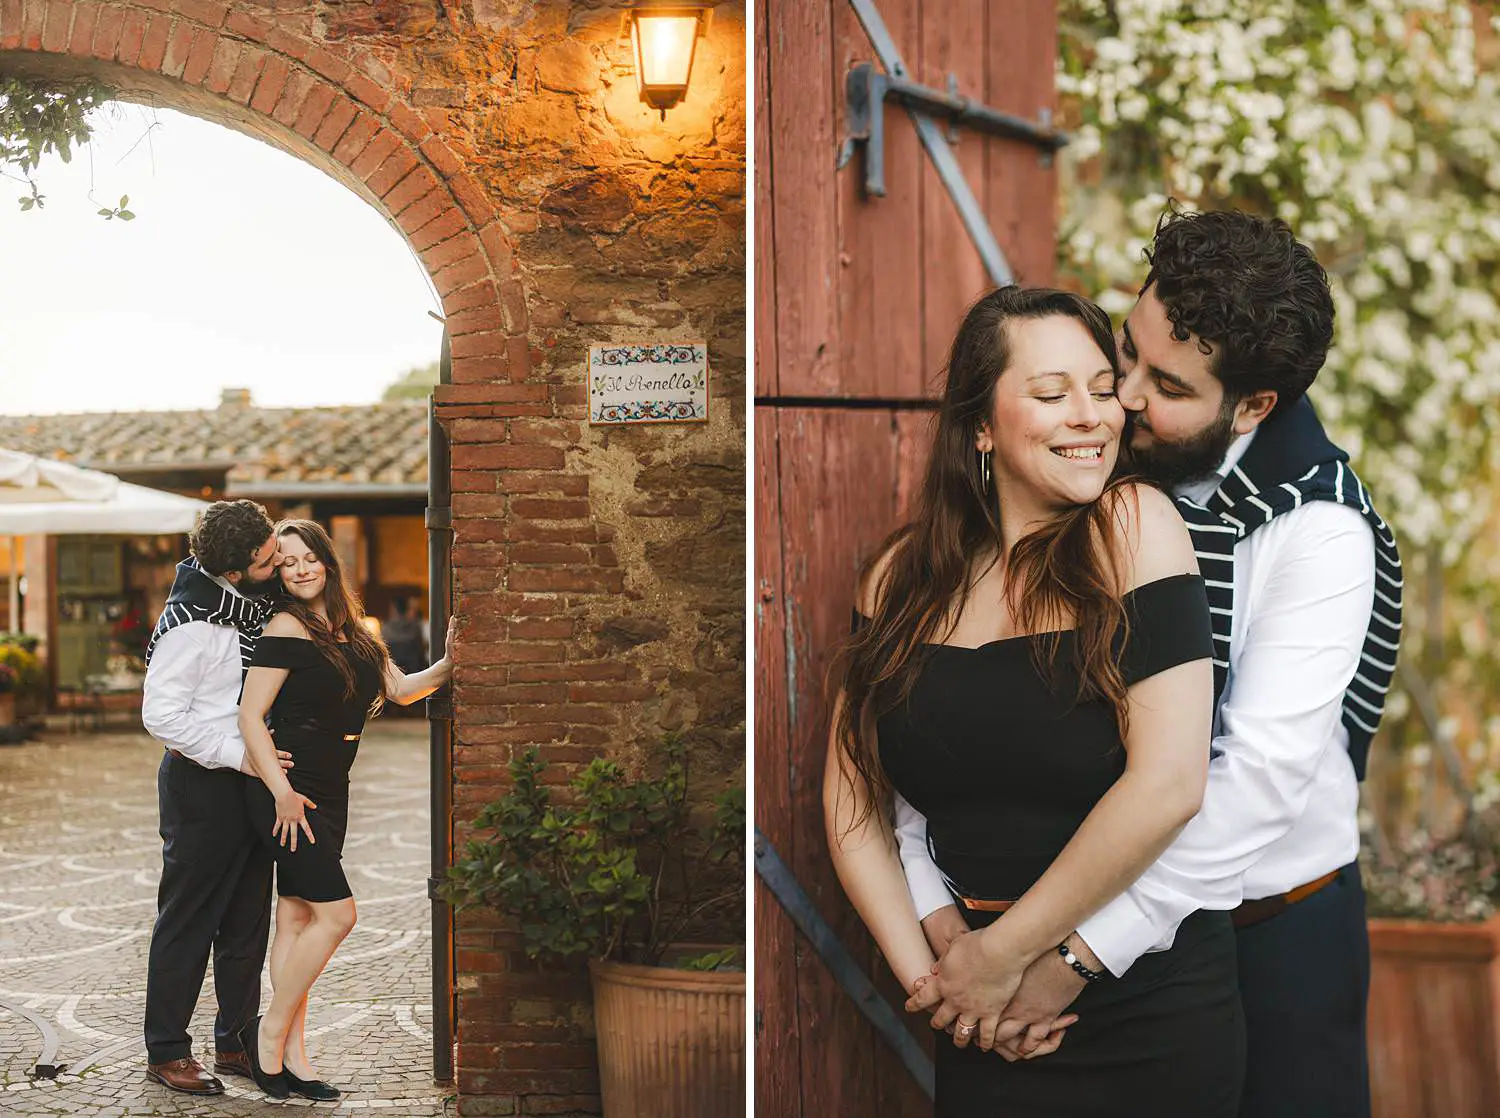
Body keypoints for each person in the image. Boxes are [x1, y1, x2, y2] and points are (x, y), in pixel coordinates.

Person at [903, 210, 1400, 1118]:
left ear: (1254, 408)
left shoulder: (1319, 532)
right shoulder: (1104, 478)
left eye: (1162, 383)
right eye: (1125, 350)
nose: (1121, 396)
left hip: (1267, 928)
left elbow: (1246, 786)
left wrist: (1070, 956)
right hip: (1084, 919)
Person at [824, 285, 1244, 1115]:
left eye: (1100, 387)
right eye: (1052, 395)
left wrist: (1004, 961)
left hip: (1141, 1007)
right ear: (980, 425)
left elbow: (1169, 785)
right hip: (980, 1022)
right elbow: (852, 800)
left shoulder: (1135, 526)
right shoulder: (899, 578)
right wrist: (942, 988)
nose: (1091, 416)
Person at [236, 519, 454, 1101]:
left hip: (333, 788)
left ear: (328, 563)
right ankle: (269, 1032)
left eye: (308, 558)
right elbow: (250, 716)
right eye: (286, 562)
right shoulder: (285, 625)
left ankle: (294, 1060)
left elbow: (403, 689)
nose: (300, 569)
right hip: (290, 795)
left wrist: (454, 661)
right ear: (277, 573)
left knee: (298, 918)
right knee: (338, 915)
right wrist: (279, 790)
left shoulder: (356, 632)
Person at [141, 498, 291, 1096]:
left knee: (247, 920)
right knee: (188, 921)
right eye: (267, 557)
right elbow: (161, 716)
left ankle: (234, 1042)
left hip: (250, 784)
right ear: (235, 569)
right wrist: (243, 756)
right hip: (202, 785)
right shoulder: (193, 624)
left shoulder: (251, 607)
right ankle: (167, 1050)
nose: (277, 561)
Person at [381, 595, 428, 675]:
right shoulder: (415, 627)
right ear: (407, 610)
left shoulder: (386, 629)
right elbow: (421, 652)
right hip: (414, 673)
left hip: (392, 673)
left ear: (394, 610)